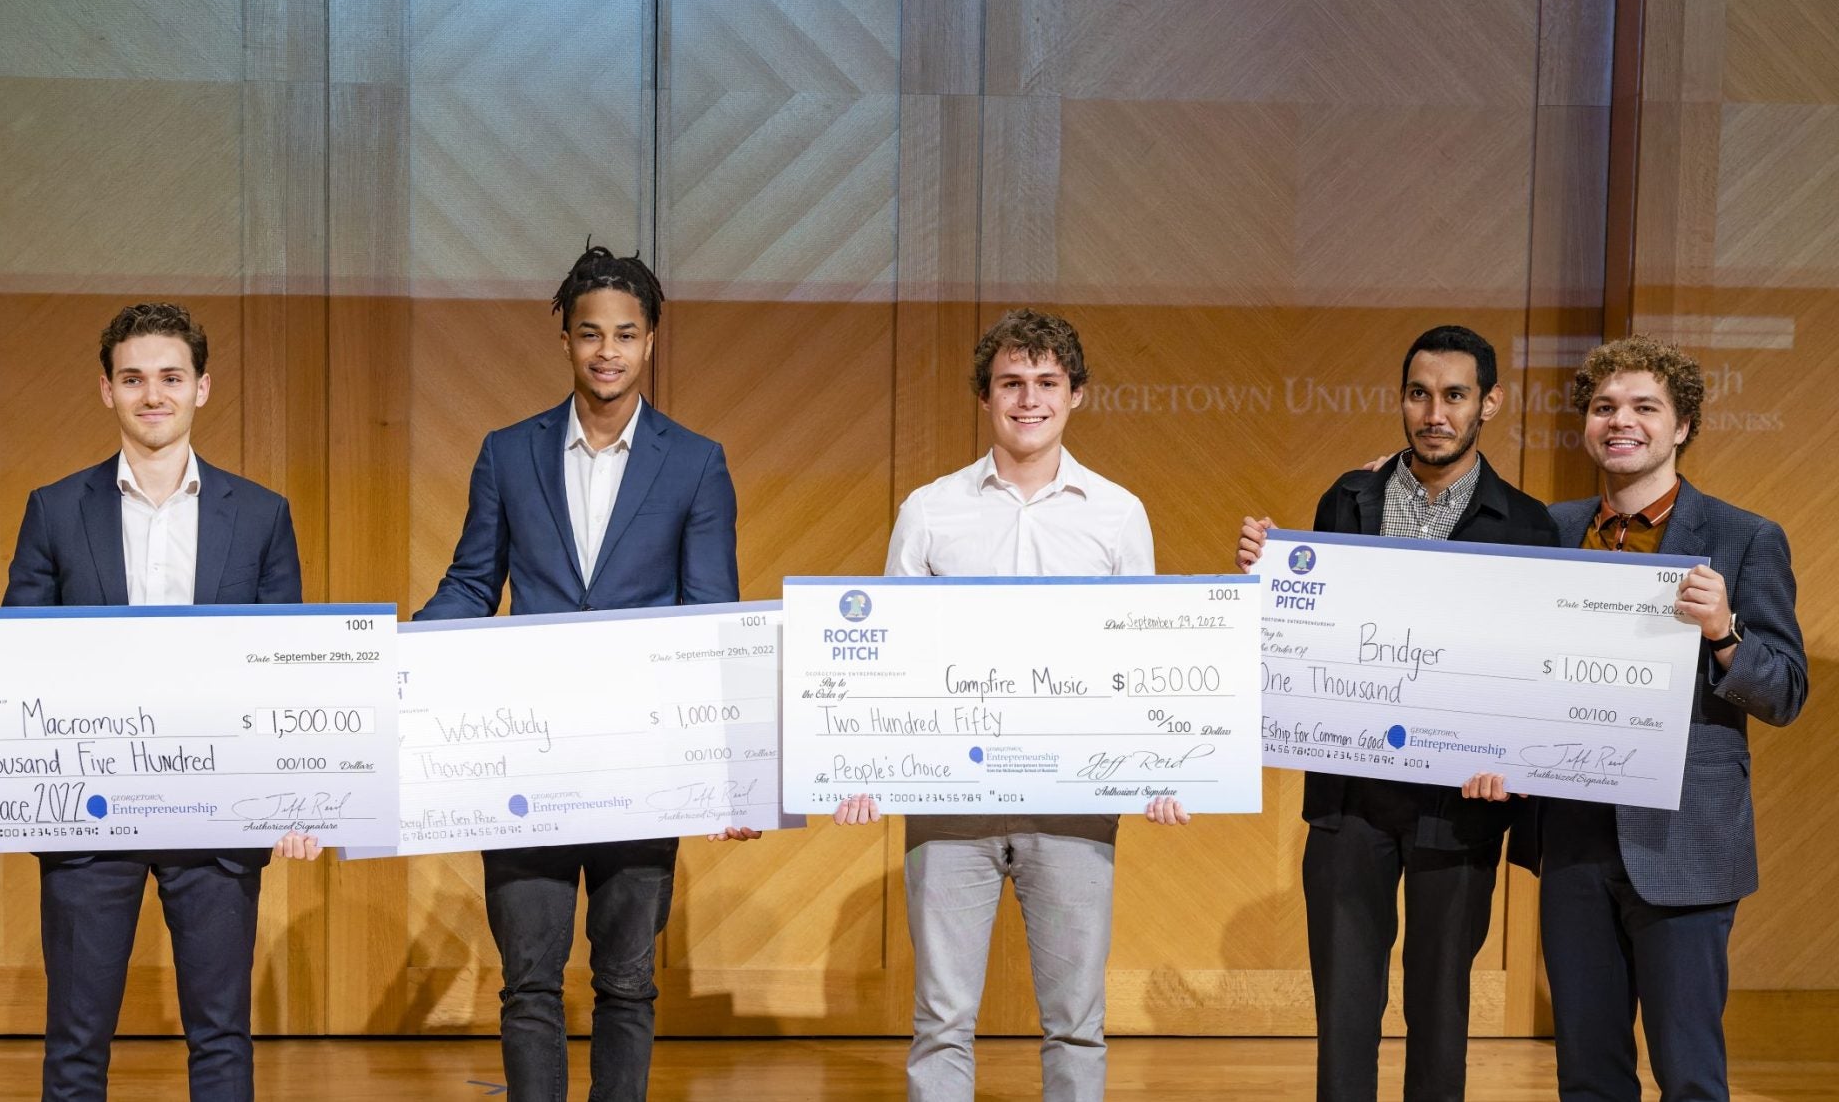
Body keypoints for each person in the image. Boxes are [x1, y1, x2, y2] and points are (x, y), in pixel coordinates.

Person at [0, 302, 318, 1101]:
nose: (153, 394)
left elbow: (288, 673)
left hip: (220, 815)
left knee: (221, 1036)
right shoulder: (55, 508)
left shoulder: (260, 515)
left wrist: (304, 795)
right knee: (76, 1043)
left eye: (170, 377)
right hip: (89, 815)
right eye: (134, 378)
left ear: (203, 387)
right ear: (107, 390)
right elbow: (14, 667)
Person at [415, 244, 751, 1101]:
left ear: (651, 343)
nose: (608, 350)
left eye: (627, 334)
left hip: (644, 763)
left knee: (627, 982)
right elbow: (469, 583)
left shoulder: (696, 461)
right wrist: (401, 653)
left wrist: (737, 774)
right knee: (529, 980)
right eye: (591, 332)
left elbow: (715, 617)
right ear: (564, 340)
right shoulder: (506, 452)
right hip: (526, 754)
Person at [835, 308, 1188, 1102]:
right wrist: (862, 767)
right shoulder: (930, 509)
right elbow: (888, 655)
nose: (1029, 399)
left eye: (1047, 382)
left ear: (1077, 395)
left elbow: (1145, 656)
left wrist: (1162, 766)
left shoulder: (1118, 513)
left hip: (1073, 802)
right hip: (950, 802)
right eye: (1011, 383)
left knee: (1074, 1021)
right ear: (985, 395)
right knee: (942, 1020)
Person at [1464, 335, 1807, 1101]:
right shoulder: (1546, 529)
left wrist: (1724, 633)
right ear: (1587, 424)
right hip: (1574, 838)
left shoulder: (1744, 538)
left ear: (1682, 425)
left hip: (1684, 842)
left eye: (1645, 407)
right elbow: (1505, 667)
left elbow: (1784, 691)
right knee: (1587, 1074)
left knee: (1689, 1074)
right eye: (1604, 406)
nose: (1622, 421)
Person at [1235, 325, 1557, 1101]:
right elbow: (1314, 636)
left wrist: (1514, 760)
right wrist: (1271, 578)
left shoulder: (1527, 523)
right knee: (1345, 1008)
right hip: (1351, 803)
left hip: (1463, 807)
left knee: (1439, 1005)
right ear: (1402, 398)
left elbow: (1535, 671)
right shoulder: (1348, 500)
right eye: (1420, 393)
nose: (1434, 413)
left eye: (1454, 395)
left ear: (1490, 402)